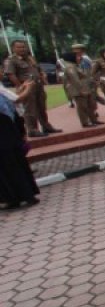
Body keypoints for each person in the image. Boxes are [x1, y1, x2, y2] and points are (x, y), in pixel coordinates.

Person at [3, 40, 60, 137]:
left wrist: (42, 74)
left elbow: (38, 68)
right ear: (13, 48)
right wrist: (21, 86)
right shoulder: (11, 60)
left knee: (41, 107)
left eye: (23, 47)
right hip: (27, 87)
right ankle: (32, 129)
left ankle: (46, 126)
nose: (22, 49)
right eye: (19, 47)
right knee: (30, 109)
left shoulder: (30, 58)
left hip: (38, 86)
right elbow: (11, 74)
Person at [0, 77, 40, 210]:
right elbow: (15, 101)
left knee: (10, 165)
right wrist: (27, 89)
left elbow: (11, 103)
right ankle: (20, 197)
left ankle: (18, 197)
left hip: (6, 130)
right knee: (12, 164)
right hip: (7, 129)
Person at [62, 52, 101, 128]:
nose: (80, 58)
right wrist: (81, 90)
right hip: (79, 91)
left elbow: (84, 76)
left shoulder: (75, 66)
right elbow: (75, 80)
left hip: (85, 88)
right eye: (77, 57)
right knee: (82, 107)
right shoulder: (70, 67)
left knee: (90, 105)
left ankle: (94, 120)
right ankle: (85, 122)